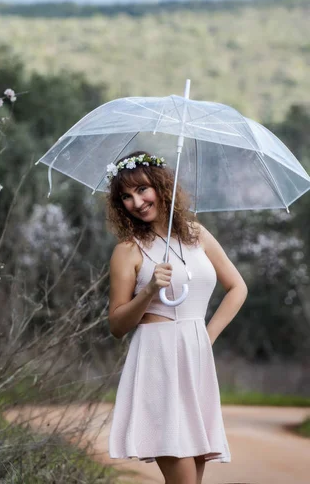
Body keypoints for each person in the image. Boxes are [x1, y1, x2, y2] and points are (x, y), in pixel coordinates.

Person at [106, 152, 248, 484]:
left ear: (161, 185)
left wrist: (207, 338)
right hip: (157, 360)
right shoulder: (128, 250)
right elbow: (116, 325)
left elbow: (238, 287)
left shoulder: (196, 235)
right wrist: (149, 290)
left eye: (142, 190)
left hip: (195, 358)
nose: (136, 202)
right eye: (126, 196)